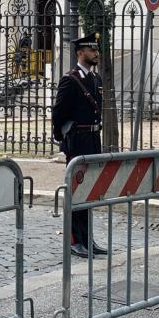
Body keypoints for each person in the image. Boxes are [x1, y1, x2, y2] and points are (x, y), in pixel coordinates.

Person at [52, 32, 107, 258]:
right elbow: (58, 113)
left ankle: (87, 238)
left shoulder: (95, 79)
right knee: (76, 191)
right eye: (91, 49)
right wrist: (63, 139)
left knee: (90, 192)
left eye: (96, 49)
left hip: (93, 140)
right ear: (80, 52)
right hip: (77, 142)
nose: (96, 53)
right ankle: (75, 240)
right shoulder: (70, 79)